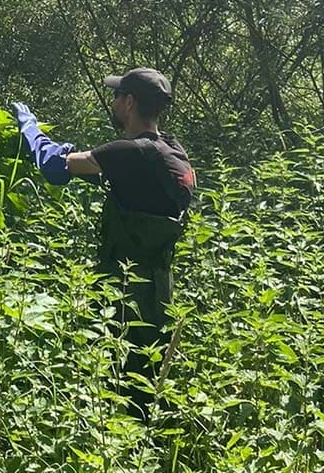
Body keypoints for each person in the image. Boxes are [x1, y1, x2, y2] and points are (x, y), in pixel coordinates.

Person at [12, 67, 196, 417]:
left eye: (116, 96)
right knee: (147, 373)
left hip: (124, 286)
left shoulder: (127, 151)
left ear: (129, 102)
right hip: (159, 286)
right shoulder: (172, 151)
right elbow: (128, 186)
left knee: (118, 371)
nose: (112, 103)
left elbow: (53, 168)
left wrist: (30, 127)